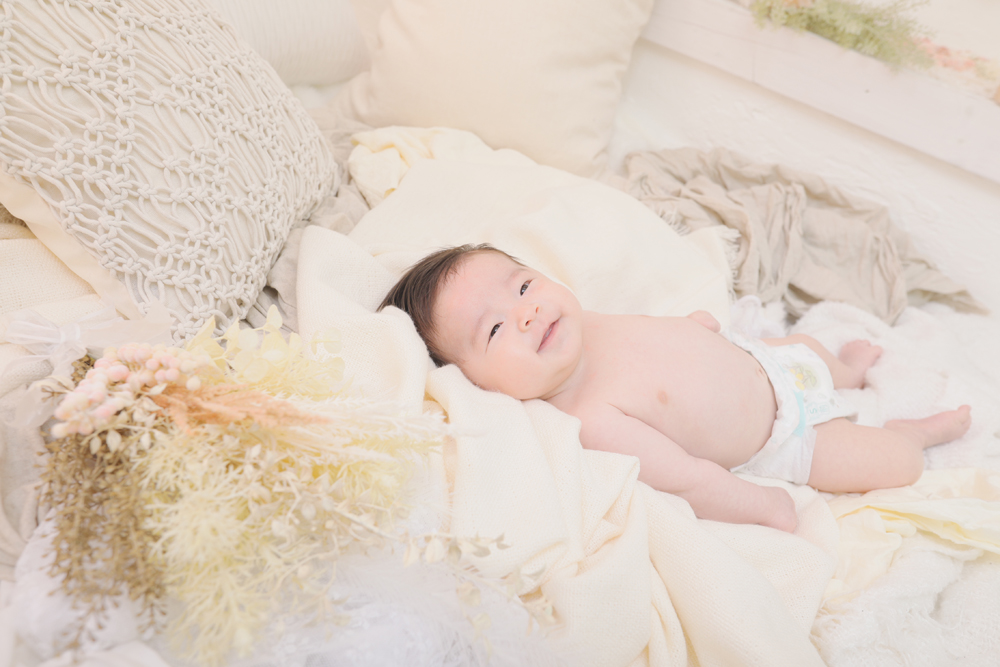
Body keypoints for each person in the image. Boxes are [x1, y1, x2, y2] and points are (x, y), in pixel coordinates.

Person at [380, 244, 972, 532]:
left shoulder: (582, 324)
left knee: (812, 351)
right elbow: (689, 478)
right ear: (477, 385)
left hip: (760, 357)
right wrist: (763, 506)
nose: (527, 313)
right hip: (786, 437)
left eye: (523, 286)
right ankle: (913, 434)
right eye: (494, 329)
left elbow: (653, 339)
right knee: (889, 464)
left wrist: (696, 329)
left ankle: (846, 371)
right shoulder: (593, 417)